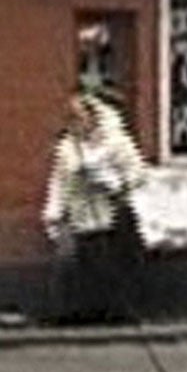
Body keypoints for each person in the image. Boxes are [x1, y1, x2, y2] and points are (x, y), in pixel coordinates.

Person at [41, 92, 148, 324]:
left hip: (111, 213)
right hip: (80, 214)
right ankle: (82, 312)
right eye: (72, 119)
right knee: (81, 265)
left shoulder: (116, 142)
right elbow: (60, 182)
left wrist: (108, 181)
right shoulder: (67, 149)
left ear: (93, 117)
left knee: (110, 264)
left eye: (80, 117)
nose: (76, 124)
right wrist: (54, 213)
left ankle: (116, 312)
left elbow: (137, 174)